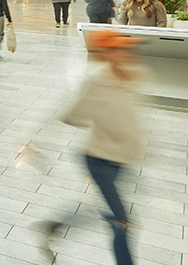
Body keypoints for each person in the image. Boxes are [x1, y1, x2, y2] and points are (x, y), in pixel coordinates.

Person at [38, 29, 144, 265]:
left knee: (106, 211)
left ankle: (54, 226)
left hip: (122, 159)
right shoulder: (96, 83)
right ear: (108, 54)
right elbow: (71, 114)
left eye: (128, 49)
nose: (127, 53)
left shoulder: (130, 77)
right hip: (99, 159)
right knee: (122, 222)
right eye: (120, 50)